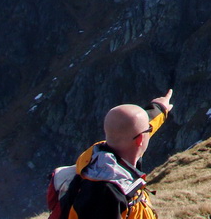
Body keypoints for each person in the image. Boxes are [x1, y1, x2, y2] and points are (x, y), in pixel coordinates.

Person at [71, 89, 174, 219]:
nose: (150, 130)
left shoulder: (99, 153)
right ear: (140, 139)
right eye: (148, 130)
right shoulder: (106, 192)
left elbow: (133, 127)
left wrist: (159, 108)